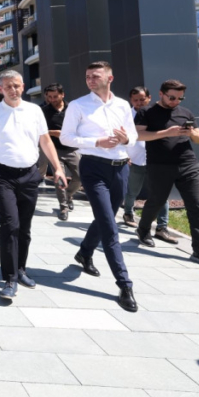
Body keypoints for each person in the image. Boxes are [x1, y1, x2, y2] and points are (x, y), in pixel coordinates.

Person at [0, 73, 66, 300]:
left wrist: (57, 168)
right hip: (2, 175)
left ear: (23, 87)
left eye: (16, 86)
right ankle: (10, 278)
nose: (13, 90)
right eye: (8, 86)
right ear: (1, 88)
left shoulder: (34, 111)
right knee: (10, 225)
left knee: (24, 227)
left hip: (29, 174)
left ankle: (21, 269)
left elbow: (45, 141)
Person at [60, 61, 139, 313]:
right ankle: (124, 284)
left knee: (106, 217)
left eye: (95, 76)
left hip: (120, 168)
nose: (90, 80)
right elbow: (65, 137)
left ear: (109, 78)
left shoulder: (123, 105)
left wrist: (127, 139)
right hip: (93, 168)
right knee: (109, 226)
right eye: (87, 76)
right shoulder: (78, 105)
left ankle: (84, 252)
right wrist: (97, 142)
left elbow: (133, 136)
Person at [135, 79, 199, 269]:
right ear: (161, 94)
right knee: (156, 201)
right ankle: (143, 229)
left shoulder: (185, 113)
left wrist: (191, 133)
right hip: (159, 166)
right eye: (172, 97)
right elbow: (139, 135)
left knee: (196, 207)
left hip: (188, 165)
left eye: (180, 98)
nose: (175, 101)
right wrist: (167, 132)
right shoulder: (146, 112)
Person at [120, 86, 171, 238]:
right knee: (133, 191)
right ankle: (128, 212)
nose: (139, 102)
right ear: (131, 100)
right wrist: (125, 155)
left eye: (142, 99)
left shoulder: (156, 114)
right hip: (134, 159)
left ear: (149, 98)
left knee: (161, 193)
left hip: (156, 159)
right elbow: (120, 137)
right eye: (135, 100)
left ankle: (162, 226)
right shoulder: (125, 116)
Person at [37, 83, 81, 221]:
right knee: (59, 178)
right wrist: (52, 133)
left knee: (80, 177)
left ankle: (68, 195)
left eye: (55, 96)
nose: (52, 99)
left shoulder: (73, 109)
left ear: (62, 95)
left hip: (73, 148)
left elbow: (82, 127)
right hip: (54, 150)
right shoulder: (43, 111)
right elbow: (38, 130)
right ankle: (63, 207)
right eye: (49, 97)